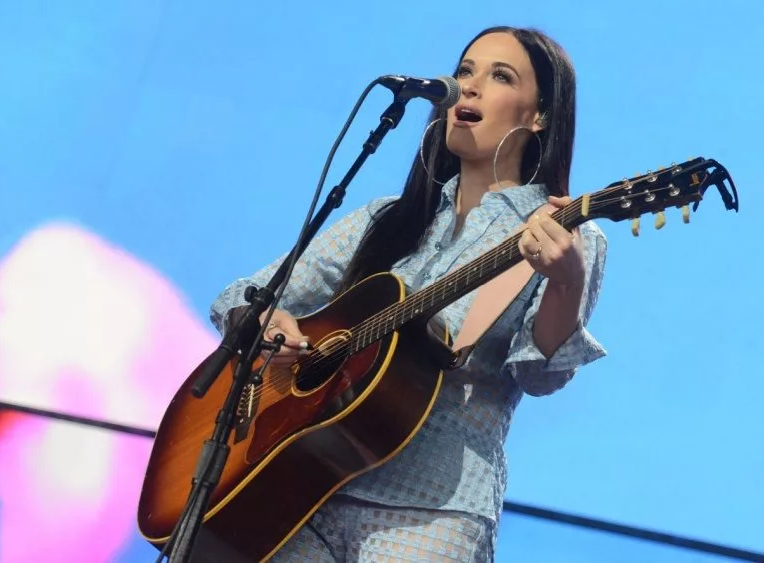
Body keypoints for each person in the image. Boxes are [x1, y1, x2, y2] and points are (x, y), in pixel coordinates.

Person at [209, 25, 607, 562]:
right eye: (465, 71)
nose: (468, 87)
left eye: (499, 76)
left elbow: (539, 376)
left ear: (540, 116)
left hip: (431, 507)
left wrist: (566, 280)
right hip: (302, 487)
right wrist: (267, 323)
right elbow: (243, 294)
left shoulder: (562, 233)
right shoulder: (385, 218)